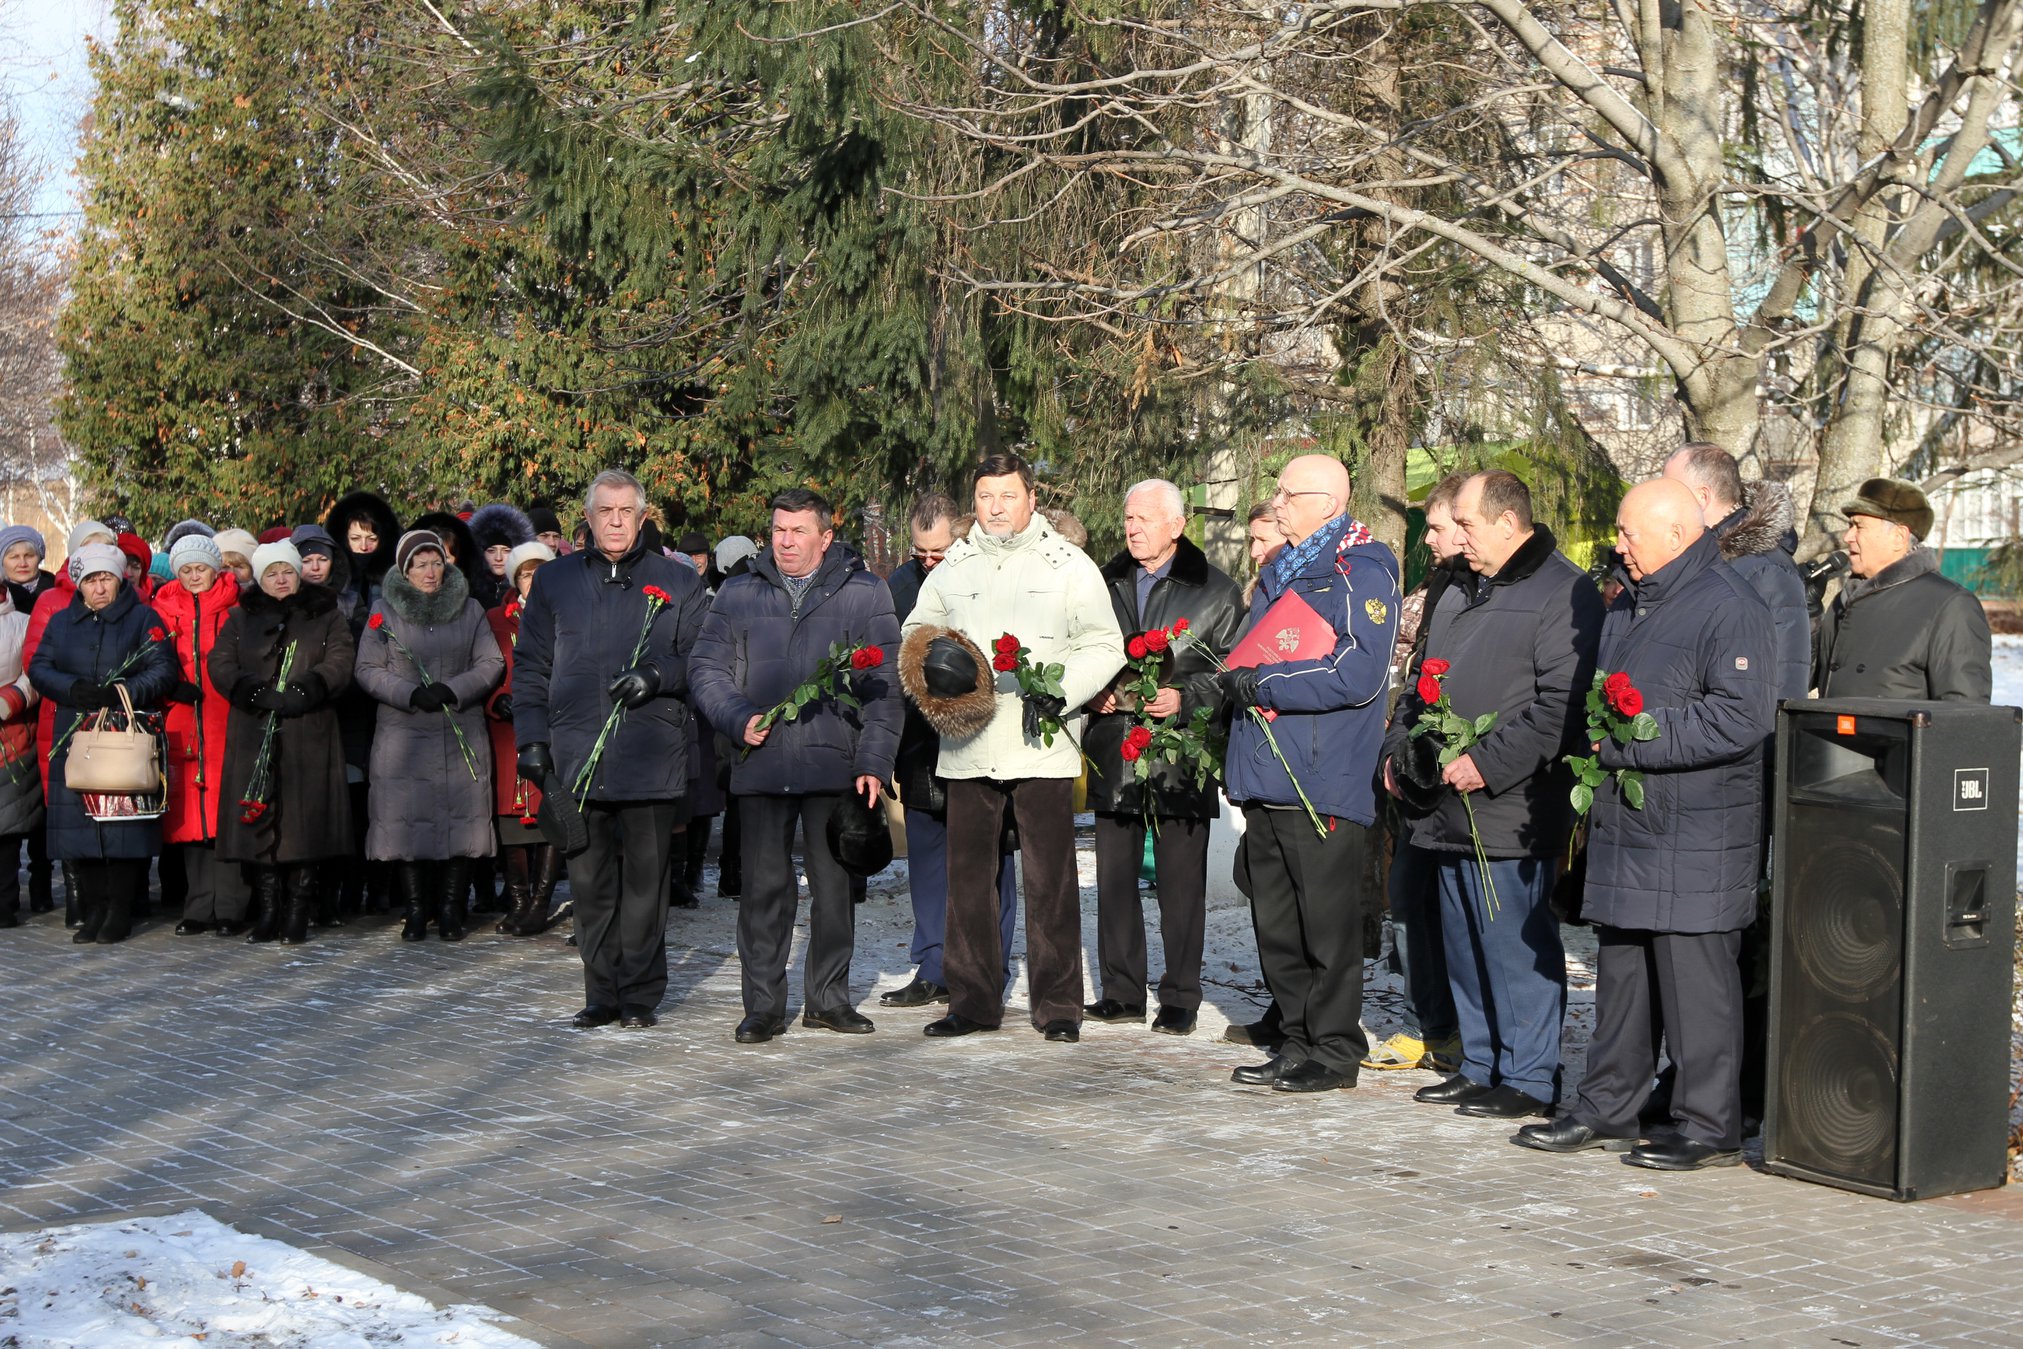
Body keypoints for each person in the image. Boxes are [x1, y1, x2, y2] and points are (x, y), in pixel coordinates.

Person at [1514, 479, 1776, 1169]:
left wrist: (1631, 740)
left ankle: (1708, 1125)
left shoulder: (1729, 605)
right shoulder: (1631, 602)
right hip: (1630, 826)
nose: (1617, 545)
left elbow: (1740, 716)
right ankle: (1607, 1107)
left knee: (1696, 990)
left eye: (1629, 533)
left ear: (1676, 534)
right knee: (1623, 979)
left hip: (1696, 830)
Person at [1381, 470, 1603, 1119]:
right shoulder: (1457, 588)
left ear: (1507, 522)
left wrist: (1486, 762)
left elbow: (1560, 705)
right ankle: (1479, 1062)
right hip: (1443, 803)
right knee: (1462, 941)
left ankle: (1530, 1075)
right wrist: (1399, 753)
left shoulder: (1564, 590)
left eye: (1468, 524)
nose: (1459, 538)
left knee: (1510, 942)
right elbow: (1422, 682)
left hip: (1512, 806)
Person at [904, 452, 1125, 1043]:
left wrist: (1065, 691)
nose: (996, 507)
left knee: (1050, 880)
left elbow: (1106, 644)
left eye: (1007, 495)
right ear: (973, 502)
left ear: (1031, 497)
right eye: (984, 496)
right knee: (968, 882)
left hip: (1042, 739)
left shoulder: (1068, 564)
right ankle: (972, 1003)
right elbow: (915, 631)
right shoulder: (954, 564)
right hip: (970, 739)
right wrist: (937, 661)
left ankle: (1058, 1008)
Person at [690, 488, 903, 1041]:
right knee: (763, 891)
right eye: (779, 530)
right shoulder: (737, 593)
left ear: (825, 537)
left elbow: (885, 688)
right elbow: (706, 668)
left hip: (837, 766)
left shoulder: (865, 592)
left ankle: (828, 999)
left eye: (798, 531)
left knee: (835, 892)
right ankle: (762, 1005)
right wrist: (737, 718)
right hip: (760, 760)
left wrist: (875, 761)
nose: (786, 541)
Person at [1219, 454, 1400, 1094]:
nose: (1279, 500)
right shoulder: (1279, 571)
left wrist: (1261, 681)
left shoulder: (1361, 568)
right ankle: (1296, 1040)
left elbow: (1358, 674)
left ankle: (1334, 1049)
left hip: (1318, 775)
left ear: (1328, 501)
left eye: (1289, 492)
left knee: (1326, 925)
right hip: (1267, 770)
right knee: (1277, 923)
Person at [514, 469, 709, 1029]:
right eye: (606, 512)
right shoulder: (555, 581)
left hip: (650, 753)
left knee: (646, 887)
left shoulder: (679, 582)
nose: (617, 521)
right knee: (592, 886)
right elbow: (530, 667)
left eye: (627, 512)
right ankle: (601, 991)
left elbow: (701, 661)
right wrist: (531, 739)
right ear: (589, 518)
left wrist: (657, 673)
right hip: (576, 755)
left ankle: (641, 995)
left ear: (643, 518)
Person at [1081, 480, 1245, 1035]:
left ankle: (1181, 995)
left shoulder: (1217, 592)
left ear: (1177, 525)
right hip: (1114, 745)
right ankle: (1122, 991)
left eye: (1144, 518)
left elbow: (1233, 672)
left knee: (1180, 883)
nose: (1132, 527)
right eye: (1128, 517)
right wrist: (1092, 692)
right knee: (1114, 878)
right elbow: (1080, 651)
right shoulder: (1101, 583)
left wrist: (1186, 698)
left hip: (1181, 751)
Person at [885, 493, 1020, 1008]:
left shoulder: (987, 577)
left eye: (939, 551)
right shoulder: (899, 586)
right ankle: (933, 964)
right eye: (921, 553)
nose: (929, 562)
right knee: (926, 861)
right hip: (922, 745)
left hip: (986, 741)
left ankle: (991, 962)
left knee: (991, 860)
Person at [1365, 472, 1469, 1074]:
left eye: (1434, 527)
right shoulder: (1426, 596)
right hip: (1411, 775)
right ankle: (1423, 1023)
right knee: (1407, 901)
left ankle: (1457, 1030)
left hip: (1464, 777)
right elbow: (1399, 683)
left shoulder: (1491, 593)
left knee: (1451, 912)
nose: (1426, 539)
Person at [354, 530, 504, 942]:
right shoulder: (384, 612)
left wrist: (454, 688)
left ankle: (454, 909)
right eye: (420, 564)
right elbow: (367, 668)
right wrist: (407, 692)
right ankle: (417, 910)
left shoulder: (470, 609)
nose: (430, 572)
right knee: (406, 824)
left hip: (459, 730)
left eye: (436, 562)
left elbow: (491, 662)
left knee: (463, 822)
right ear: (405, 570)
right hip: (404, 735)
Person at [28, 541, 176, 944]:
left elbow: (163, 668)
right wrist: (72, 688)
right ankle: (94, 909)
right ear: (80, 584)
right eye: (90, 580)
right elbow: (39, 667)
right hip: (75, 735)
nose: (98, 587)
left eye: (105, 578)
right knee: (82, 825)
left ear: (119, 579)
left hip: (122, 735)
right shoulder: (61, 622)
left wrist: (122, 692)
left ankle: (119, 911)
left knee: (120, 823)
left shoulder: (144, 617)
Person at [209, 541, 356, 944]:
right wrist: (252, 691)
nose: (280, 579)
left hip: (309, 728)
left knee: (303, 821)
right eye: (271, 573)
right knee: (259, 818)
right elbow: (221, 662)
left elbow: (341, 659)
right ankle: (269, 908)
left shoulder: (326, 614)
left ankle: (298, 908)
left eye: (287, 572)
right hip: (255, 727)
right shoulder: (241, 617)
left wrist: (309, 688)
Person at [23, 520, 122, 928]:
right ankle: (78, 899)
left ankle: (114, 901)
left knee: (113, 807)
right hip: (62, 716)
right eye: (89, 552)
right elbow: (36, 661)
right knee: (70, 810)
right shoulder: (53, 603)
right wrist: (71, 688)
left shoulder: (128, 606)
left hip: (114, 719)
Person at [1814, 477, 1992, 701]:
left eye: (1858, 526)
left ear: (1898, 537)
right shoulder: (1846, 600)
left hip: (1899, 737)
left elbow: (1964, 714)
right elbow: (1803, 674)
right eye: (1850, 525)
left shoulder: (1950, 605)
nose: (1848, 537)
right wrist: (1808, 616)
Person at [1662, 444, 1809, 701]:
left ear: (1702, 497)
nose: (1661, 500)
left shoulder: (1766, 569)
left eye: (1670, 490)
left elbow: (1783, 676)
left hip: (1730, 735)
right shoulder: (1691, 558)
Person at [155, 533, 250, 935]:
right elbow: (149, 657)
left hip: (226, 717)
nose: (196, 577)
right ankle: (198, 905)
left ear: (216, 569)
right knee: (190, 818)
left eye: (202, 569)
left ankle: (231, 907)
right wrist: (168, 685)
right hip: (181, 719)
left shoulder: (235, 606)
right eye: (187, 569)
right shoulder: (160, 609)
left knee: (228, 814)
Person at [323, 491, 402, 915]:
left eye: (371, 537)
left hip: (386, 700)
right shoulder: (337, 582)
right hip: (346, 703)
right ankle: (349, 884)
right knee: (352, 799)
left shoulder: (392, 578)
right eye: (356, 537)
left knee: (384, 797)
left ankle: (383, 885)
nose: (365, 545)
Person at [484, 540, 566, 936]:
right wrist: (496, 700)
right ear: (516, 579)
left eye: (540, 571)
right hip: (507, 730)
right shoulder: (495, 619)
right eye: (527, 573)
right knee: (511, 818)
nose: (534, 580)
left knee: (550, 812)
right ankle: (517, 899)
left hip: (553, 726)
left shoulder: (565, 613)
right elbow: (483, 668)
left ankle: (540, 902)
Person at [0, 583, 41, 927]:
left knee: (7, 826)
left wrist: (12, 698)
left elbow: (36, 669)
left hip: (11, 734)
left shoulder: (22, 622)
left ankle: (5, 902)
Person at [471, 503, 536, 610]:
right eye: (491, 551)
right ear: (480, 553)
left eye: (506, 551)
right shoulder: (470, 591)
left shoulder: (527, 590)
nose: (498, 558)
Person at [2, 524, 55, 613]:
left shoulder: (59, 590)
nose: (22, 564)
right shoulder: (3, 598)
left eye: (29, 556)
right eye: (14, 557)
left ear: (39, 557)